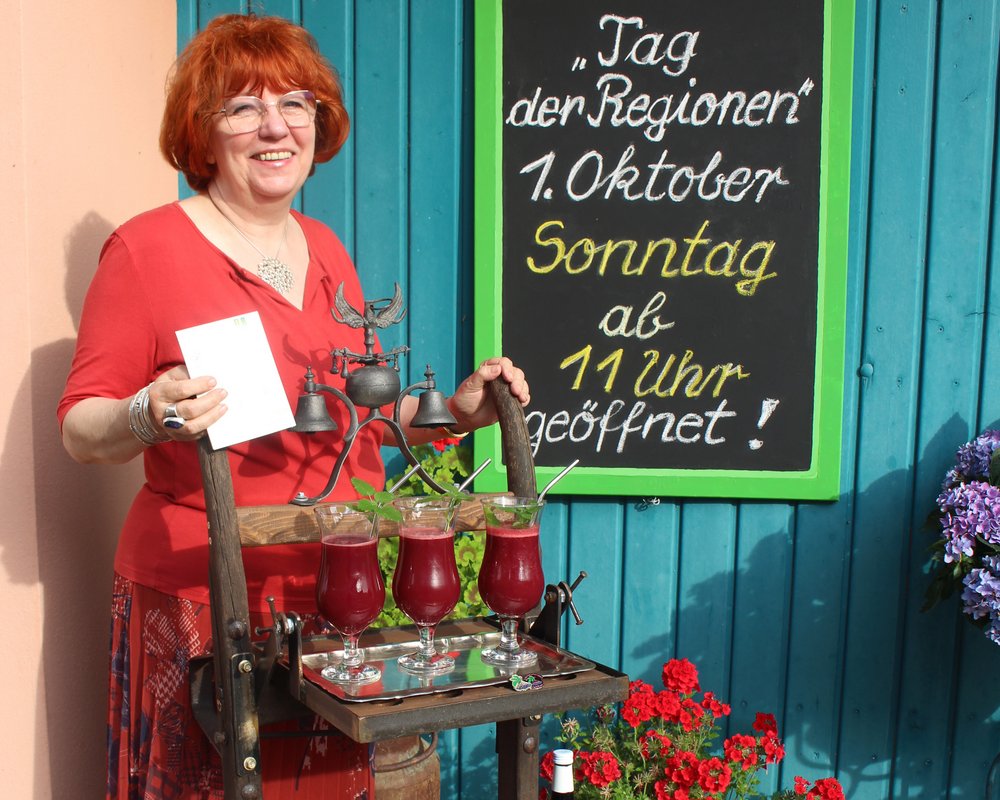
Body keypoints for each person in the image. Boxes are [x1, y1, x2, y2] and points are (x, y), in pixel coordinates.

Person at [57, 13, 530, 800]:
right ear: (202, 132)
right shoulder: (146, 251)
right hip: (205, 598)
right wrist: (148, 412)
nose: (275, 127)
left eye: (294, 103)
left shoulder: (325, 249)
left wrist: (457, 411)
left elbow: (353, 418)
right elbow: (80, 427)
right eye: (243, 107)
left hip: (334, 594)